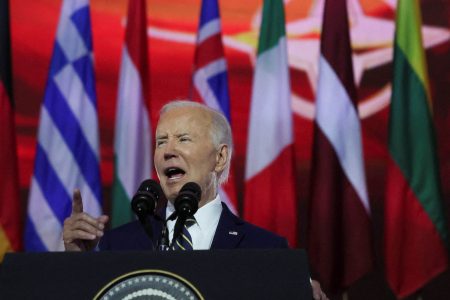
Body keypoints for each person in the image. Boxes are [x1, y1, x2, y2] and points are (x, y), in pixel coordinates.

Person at [62, 100, 328, 300]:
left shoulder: (266, 250)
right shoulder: (118, 245)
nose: (168, 151)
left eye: (183, 139)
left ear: (220, 158)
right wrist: (78, 265)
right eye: (161, 141)